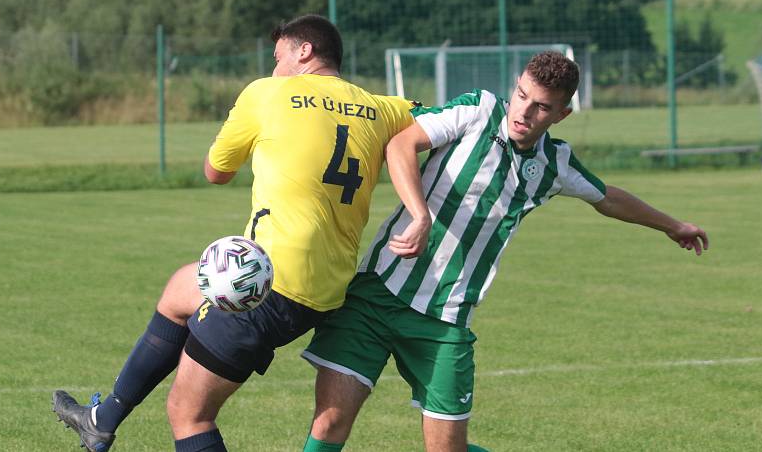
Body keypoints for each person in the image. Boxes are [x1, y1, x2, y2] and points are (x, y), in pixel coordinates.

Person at [300, 51, 709, 452]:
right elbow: (401, 145)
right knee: (331, 421)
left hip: (446, 319)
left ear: (561, 115)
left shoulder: (554, 163)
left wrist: (673, 225)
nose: (524, 112)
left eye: (542, 107)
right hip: (377, 293)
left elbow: (609, 198)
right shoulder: (477, 110)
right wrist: (419, 214)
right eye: (521, 95)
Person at [52, 14, 427, 452]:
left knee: (188, 413)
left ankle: (104, 422)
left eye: (278, 56)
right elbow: (441, 121)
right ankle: (102, 419)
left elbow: (216, 172)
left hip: (266, 282)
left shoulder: (265, 93)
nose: (274, 67)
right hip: (329, 286)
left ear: (303, 51)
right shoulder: (383, 107)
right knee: (179, 291)